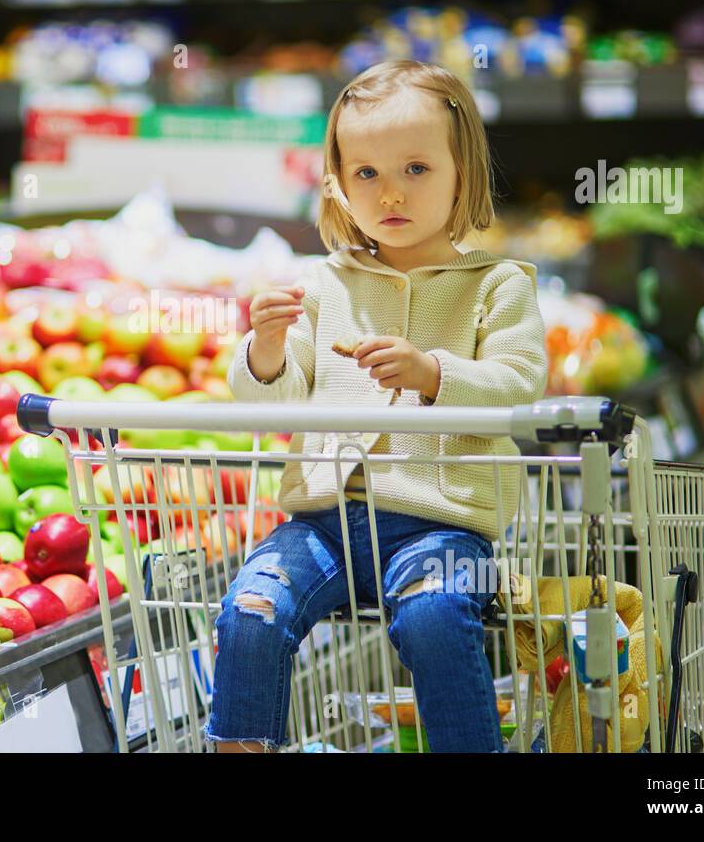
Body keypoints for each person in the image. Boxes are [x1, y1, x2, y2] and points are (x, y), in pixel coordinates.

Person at [207, 60, 550, 753]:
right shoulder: (320, 285)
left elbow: (520, 381)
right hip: (321, 522)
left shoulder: (497, 286)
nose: (390, 191)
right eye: (366, 173)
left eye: (416, 168)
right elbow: (270, 396)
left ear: (464, 172)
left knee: (433, 617)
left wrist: (433, 374)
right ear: (336, 183)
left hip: (442, 522)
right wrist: (266, 346)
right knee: (252, 607)